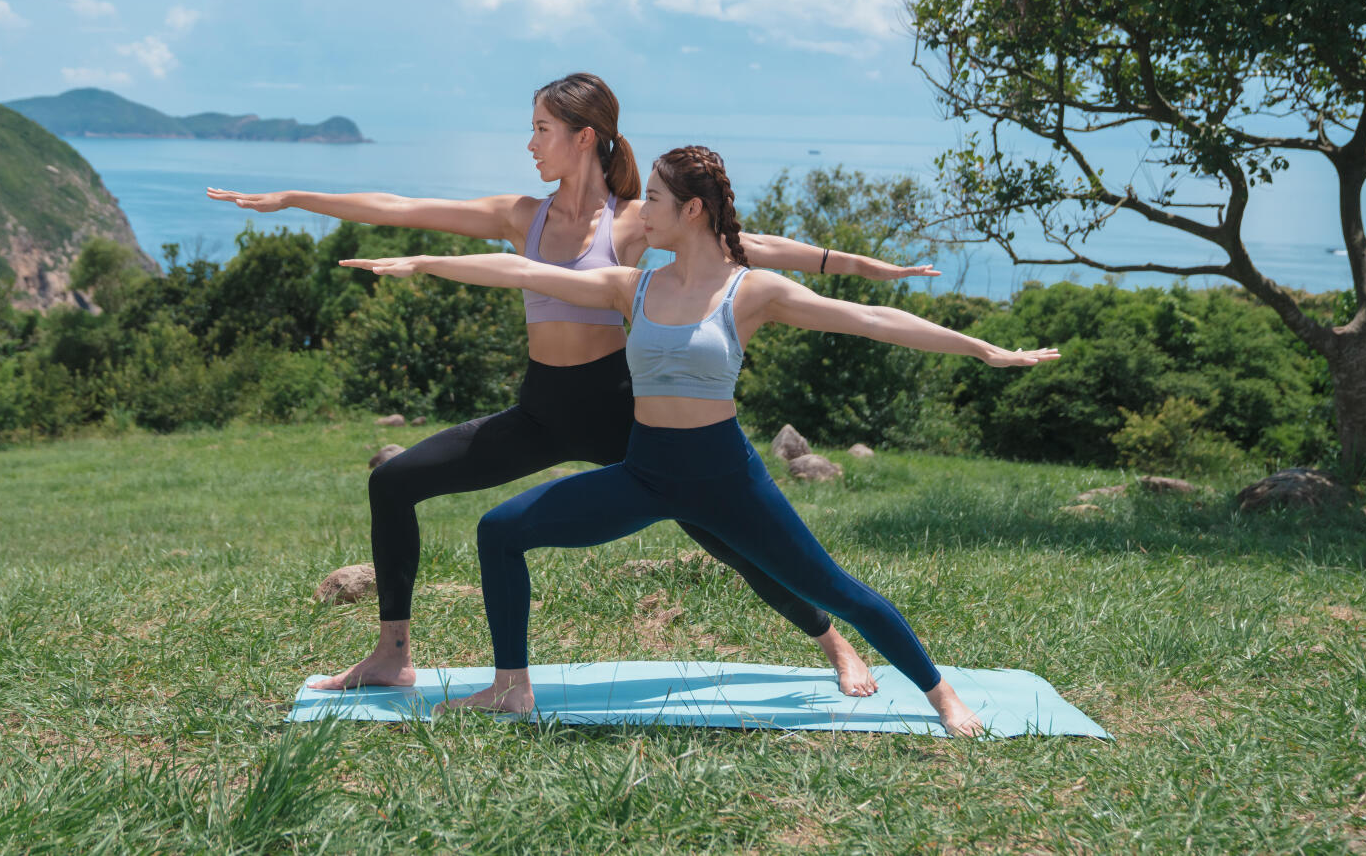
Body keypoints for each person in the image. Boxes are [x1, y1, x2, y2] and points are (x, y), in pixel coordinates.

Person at [208, 74, 938, 697]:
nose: (530, 143)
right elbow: (399, 207)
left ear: (584, 137)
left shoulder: (629, 224)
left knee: (732, 540)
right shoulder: (518, 215)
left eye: (541, 128)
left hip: (624, 416)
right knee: (395, 481)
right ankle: (392, 654)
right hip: (541, 410)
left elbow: (752, 251)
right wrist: (297, 197)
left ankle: (832, 639)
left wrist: (864, 267)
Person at [338, 145, 1060, 736]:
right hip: (644, 472)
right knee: (500, 529)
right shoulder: (635, 286)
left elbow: (871, 319)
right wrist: (421, 262)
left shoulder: (754, 291)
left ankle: (942, 695)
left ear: (690, 210)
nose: (638, 209)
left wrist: (984, 350)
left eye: (652, 198)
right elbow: (523, 270)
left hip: (726, 480)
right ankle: (510, 686)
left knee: (841, 592)